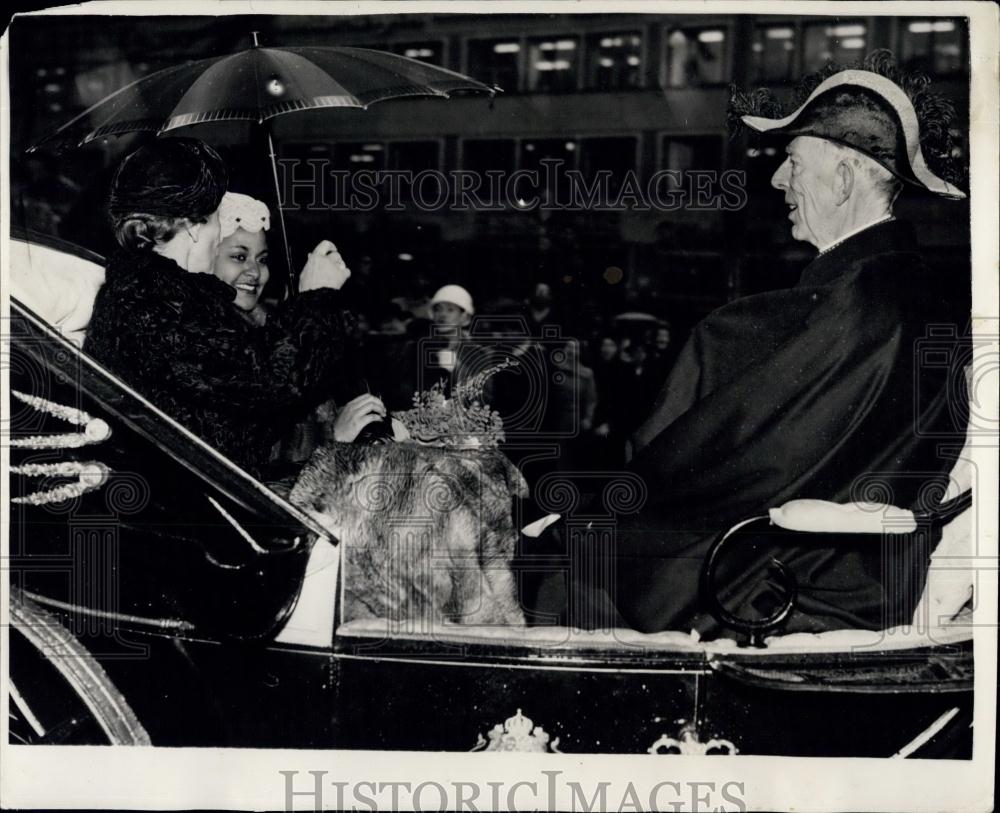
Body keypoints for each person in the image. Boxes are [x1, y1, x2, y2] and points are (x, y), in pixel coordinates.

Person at [608, 53, 970, 636]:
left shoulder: (855, 304)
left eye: (793, 163)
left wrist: (606, 500)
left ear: (846, 177)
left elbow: (732, 460)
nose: (778, 180)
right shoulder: (914, 292)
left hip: (789, 582)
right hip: (868, 571)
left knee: (565, 569)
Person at [84, 139, 387, 476]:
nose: (217, 238)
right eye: (215, 220)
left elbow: (242, 422)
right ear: (192, 226)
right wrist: (316, 296)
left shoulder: (150, 291)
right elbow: (272, 382)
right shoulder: (154, 301)